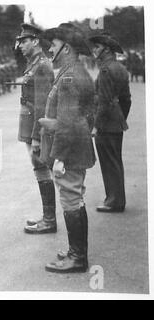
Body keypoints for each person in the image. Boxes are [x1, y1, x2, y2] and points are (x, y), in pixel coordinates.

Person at [39, 23, 96, 273]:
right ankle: (77, 252)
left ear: (66, 47)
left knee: (71, 199)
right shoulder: (72, 71)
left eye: (53, 44)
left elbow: (70, 123)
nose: (49, 49)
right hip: (76, 144)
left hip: (69, 148)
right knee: (76, 199)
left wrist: (59, 156)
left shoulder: (70, 76)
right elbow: (87, 116)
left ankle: (77, 258)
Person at [13, 24, 56, 235]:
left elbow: (42, 104)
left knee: (41, 165)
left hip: (35, 126)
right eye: (20, 41)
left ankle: (49, 220)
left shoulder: (42, 66)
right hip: (29, 123)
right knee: (38, 166)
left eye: (24, 41)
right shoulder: (33, 64)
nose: (20, 45)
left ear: (36, 41)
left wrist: (38, 136)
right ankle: (47, 217)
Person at [88, 32, 131, 213]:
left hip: (105, 124)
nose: (94, 50)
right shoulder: (120, 68)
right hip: (116, 122)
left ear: (106, 49)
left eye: (97, 47)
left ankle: (113, 201)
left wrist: (97, 125)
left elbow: (104, 102)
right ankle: (116, 199)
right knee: (115, 162)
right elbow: (127, 99)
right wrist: (120, 117)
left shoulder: (105, 70)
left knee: (108, 162)